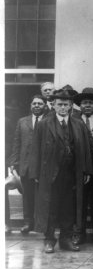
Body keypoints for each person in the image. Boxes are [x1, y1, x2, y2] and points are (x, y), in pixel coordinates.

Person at [29, 90, 93, 253]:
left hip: (72, 173)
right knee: (50, 206)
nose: (63, 108)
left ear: (71, 106)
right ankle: (49, 240)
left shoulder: (79, 125)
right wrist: (35, 173)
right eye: (59, 104)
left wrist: (86, 171)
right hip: (50, 173)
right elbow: (35, 148)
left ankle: (66, 239)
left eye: (66, 105)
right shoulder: (44, 124)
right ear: (53, 105)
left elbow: (86, 149)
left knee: (69, 207)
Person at [72, 87, 93, 244]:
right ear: (79, 105)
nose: (87, 106)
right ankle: (79, 232)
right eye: (84, 103)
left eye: (90, 103)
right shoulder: (73, 119)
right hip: (79, 166)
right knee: (80, 200)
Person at [9, 95, 47, 235]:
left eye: (40, 103)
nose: (37, 106)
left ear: (45, 106)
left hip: (44, 165)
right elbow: (17, 142)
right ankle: (27, 222)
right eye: (34, 103)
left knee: (43, 196)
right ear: (31, 105)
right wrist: (13, 162)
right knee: (28, 195)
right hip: (26, 165)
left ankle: (41, 224)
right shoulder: (22, 121)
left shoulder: (49, 121)